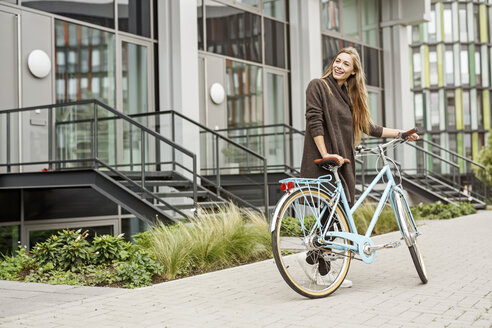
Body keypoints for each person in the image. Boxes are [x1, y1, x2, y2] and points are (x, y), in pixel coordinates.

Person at [298, 47, 418, 288]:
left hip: (343, 160)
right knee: (331, 214)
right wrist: (325, 154)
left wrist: (401, 133)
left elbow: (369, 128)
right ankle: (318, 265)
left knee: (333, 215)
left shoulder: (349, 98)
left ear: (353, 72)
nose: (339, 66)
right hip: (325, 159)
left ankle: (317, 262)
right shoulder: (318, 86)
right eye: (337, 61)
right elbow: (314, 121)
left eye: (345, 64)